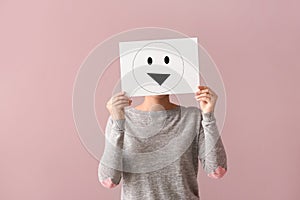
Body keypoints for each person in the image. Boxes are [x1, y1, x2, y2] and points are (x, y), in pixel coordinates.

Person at [98, 85, 228, 200]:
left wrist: (208, 117)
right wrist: (118, 124)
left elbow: (217, 170)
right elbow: (108, 180)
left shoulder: (193, 117)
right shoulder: (122, 118)